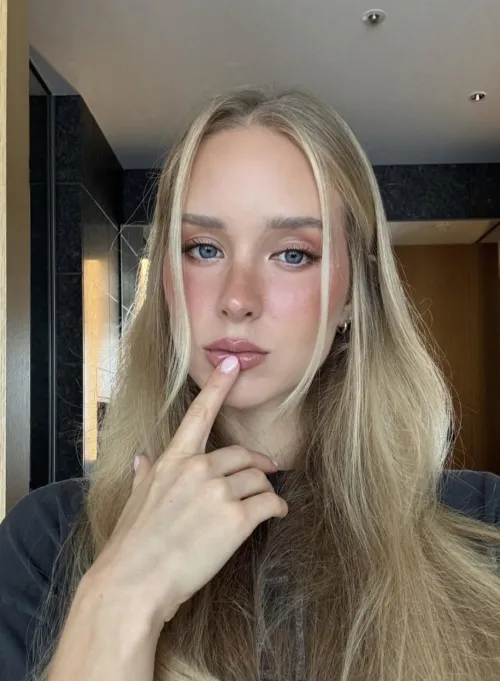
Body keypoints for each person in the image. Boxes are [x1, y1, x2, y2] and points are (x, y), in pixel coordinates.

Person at [1, 86, 500, 681]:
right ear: (166, 283)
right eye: (203, 248)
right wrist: (123, 596)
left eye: (292, 254)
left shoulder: (483, 526)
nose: (237, 299)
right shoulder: (47, 539)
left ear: (353, 295)